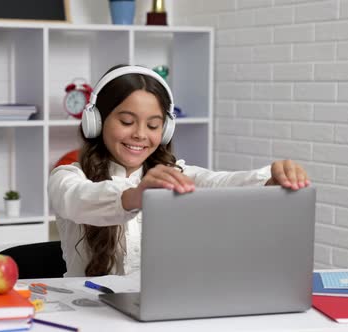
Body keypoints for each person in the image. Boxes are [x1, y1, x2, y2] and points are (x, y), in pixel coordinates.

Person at [48, 65, 310, 277]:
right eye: (127, 121)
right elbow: (78, 198)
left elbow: (221, 182)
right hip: (89, 313)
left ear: (165, 130)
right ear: (97, 120)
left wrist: (269, 181)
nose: (140, 134)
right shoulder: (67, 176)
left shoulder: (175, 174)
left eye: (153, 125)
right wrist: (136, 195)